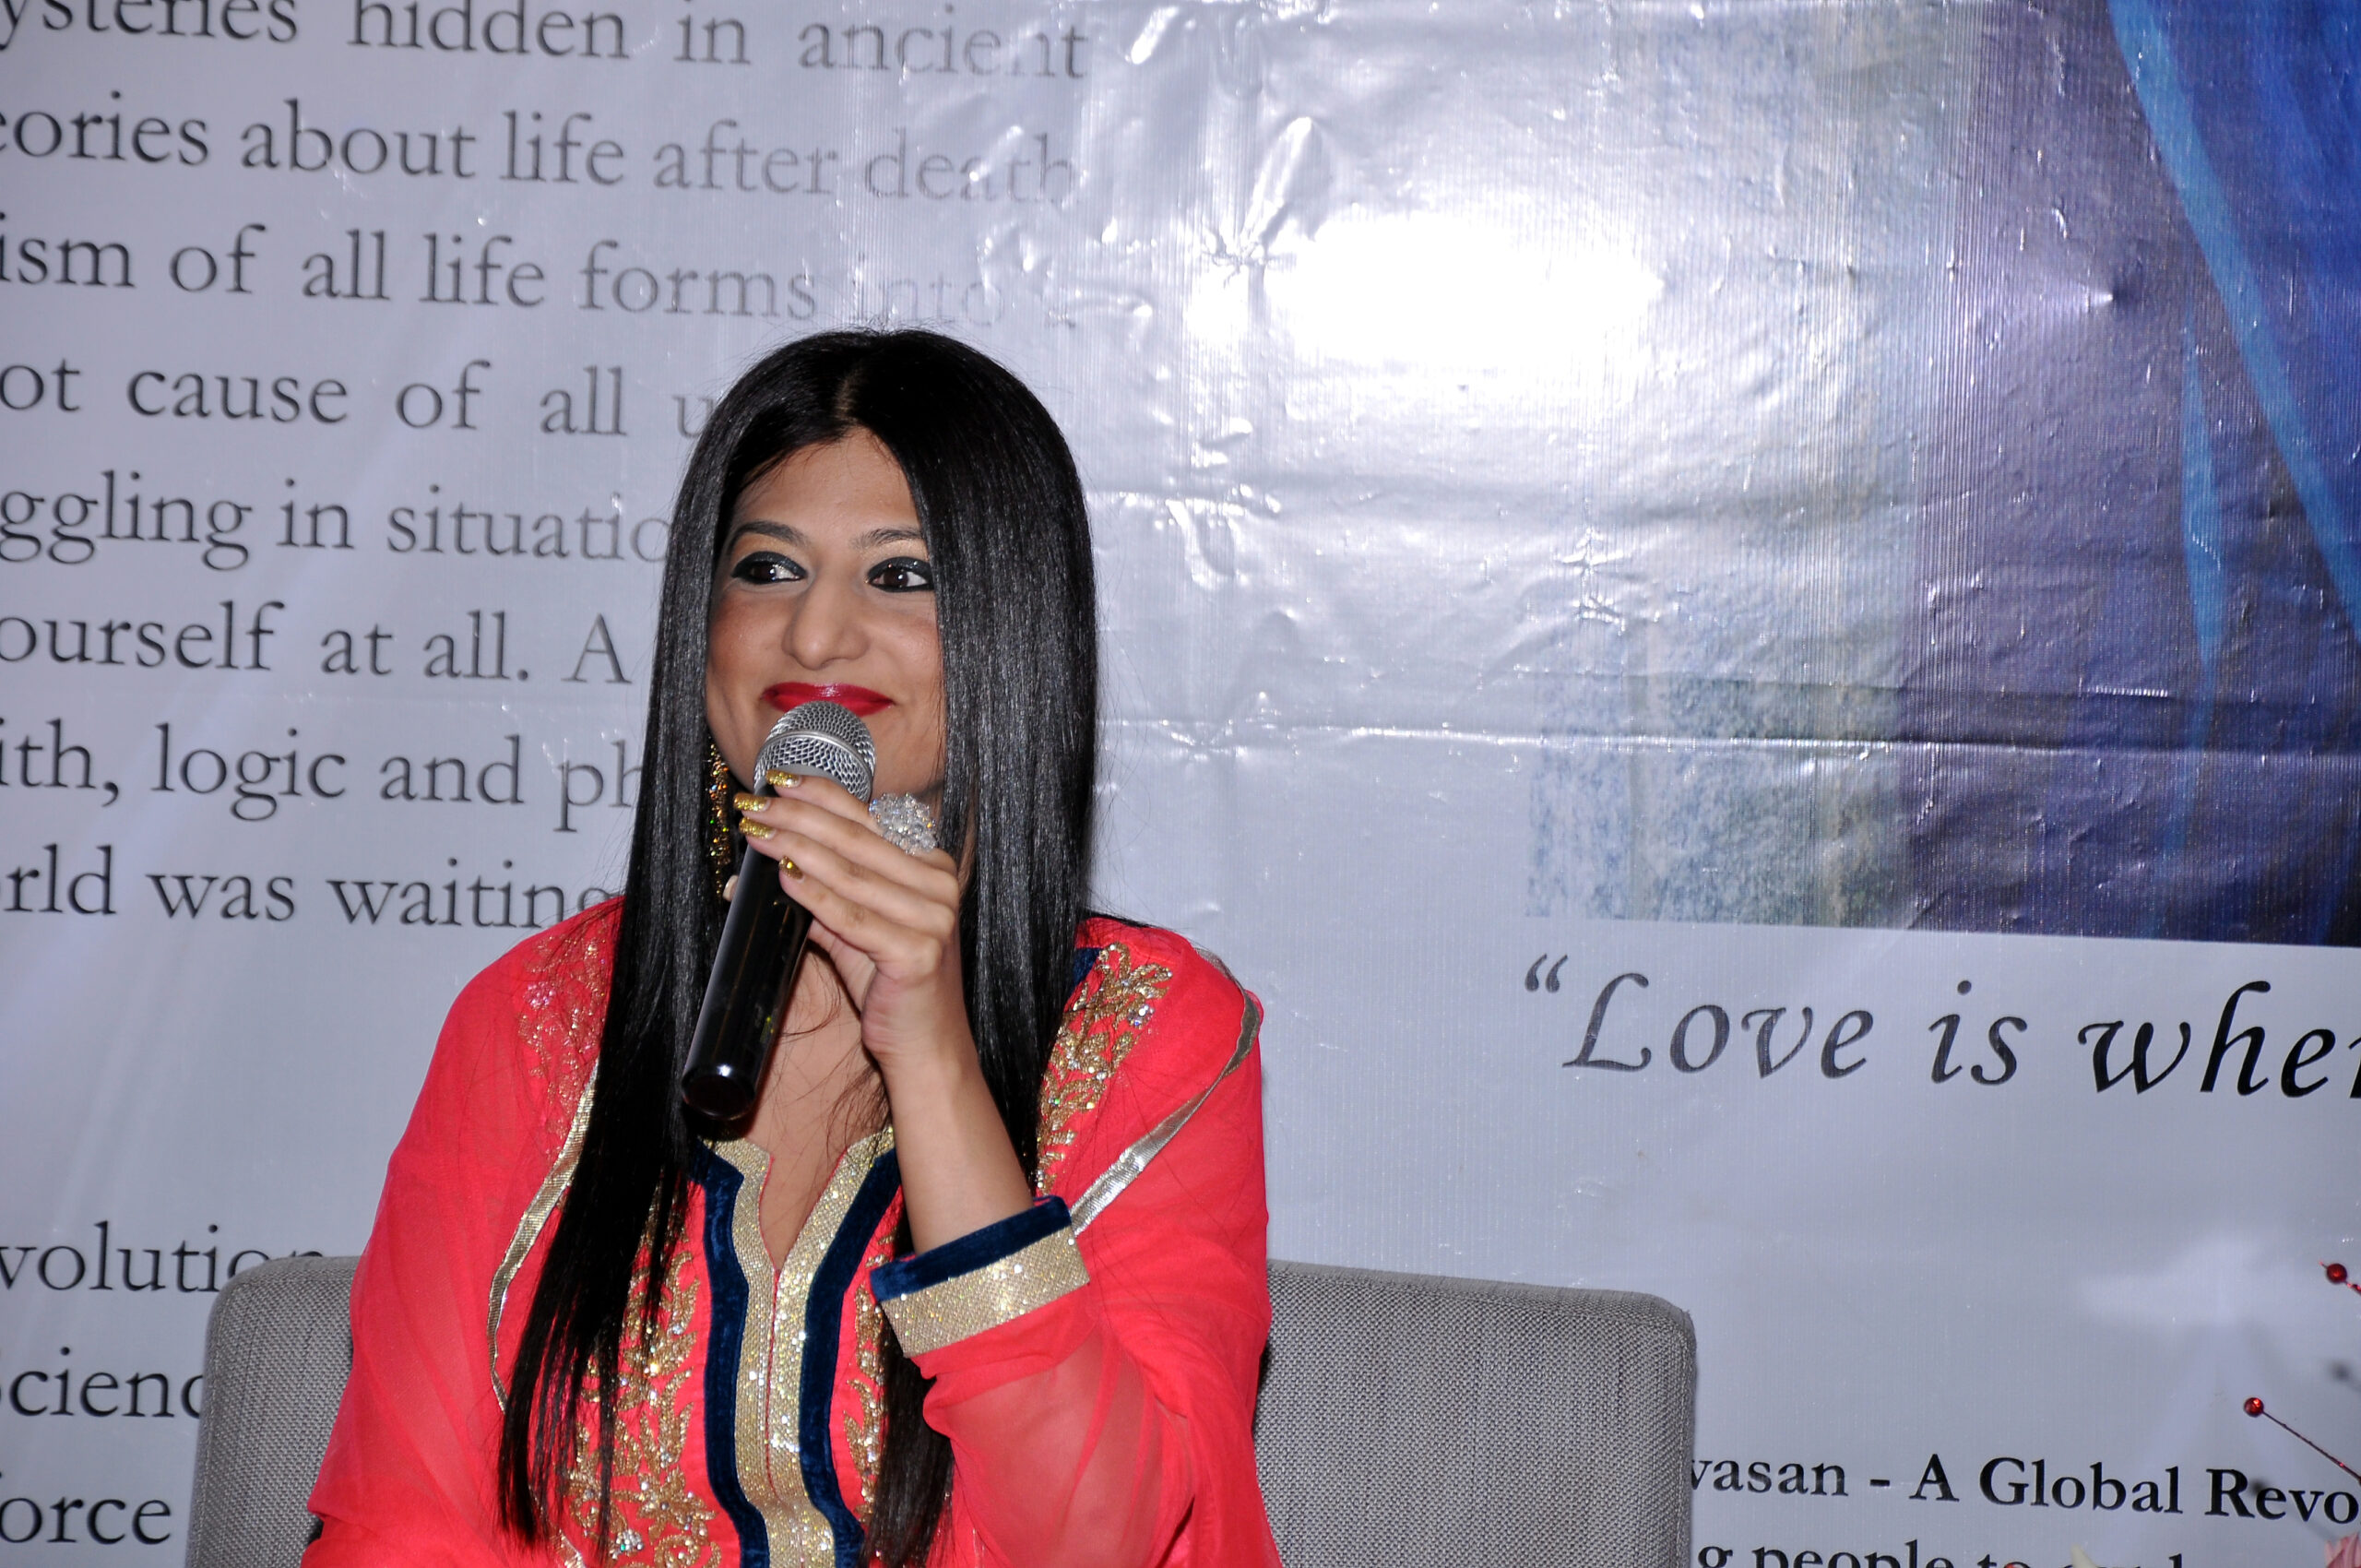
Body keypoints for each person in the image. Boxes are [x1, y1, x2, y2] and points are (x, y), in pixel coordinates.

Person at [304, 330, 1280, 1568]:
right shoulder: (540, 1016)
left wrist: (931, 1054)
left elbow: (1100, 1538)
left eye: (902, 575)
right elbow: (406, 1524)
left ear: (1012, 629)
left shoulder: (1148, 1029)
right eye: (768, 569)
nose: (815, 637)